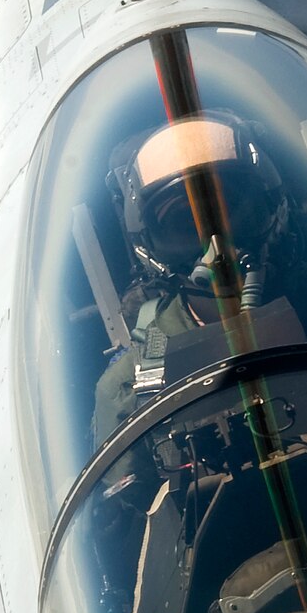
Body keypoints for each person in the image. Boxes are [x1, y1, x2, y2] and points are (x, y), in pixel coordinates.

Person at [93, 112, 288, 443]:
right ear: (149, 246)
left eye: (232, 210)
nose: (217, 245)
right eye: (185, 223)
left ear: (267, 209)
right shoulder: (128, 388)